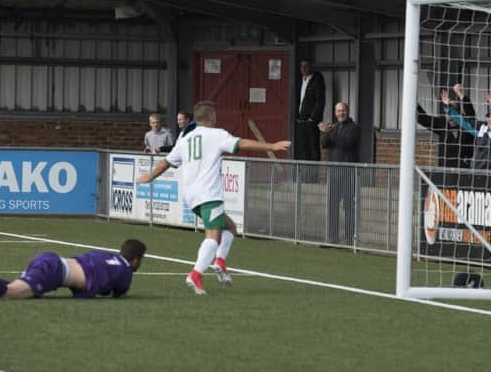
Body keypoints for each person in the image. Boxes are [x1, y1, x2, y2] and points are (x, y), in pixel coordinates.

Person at [136, 101, 290, 295]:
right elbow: (241, 143)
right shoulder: (217, 135)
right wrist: (272, 146)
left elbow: (165, 163)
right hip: (209, 193)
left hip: (192, 197)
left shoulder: (185, 139)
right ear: (211, 117)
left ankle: (220, 262)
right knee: (213, 237)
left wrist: (149, 177)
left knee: (230, 227)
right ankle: (195, 274)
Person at [0, 239, 146, 299]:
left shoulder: (106, 254)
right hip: (53, 271)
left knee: (14, 289)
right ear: (135, 261)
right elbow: (117, 293)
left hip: (53, 262)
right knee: (8, 293)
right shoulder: (126, 272)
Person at [319, 102, 360, 244]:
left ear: (347, 111)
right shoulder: (335, 127)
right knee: (332, 206)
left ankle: (350, 239)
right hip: (334, 174)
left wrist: (330, 132)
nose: (340, 113)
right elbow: (324, 144)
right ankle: (333, 237)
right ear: (335, 112)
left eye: (343, 110)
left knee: (349, 206)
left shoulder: (354, 128)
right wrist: (325, 132)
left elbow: (346, 143)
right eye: (338, 111)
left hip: (348, 174)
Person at [442, 87, 491, 172]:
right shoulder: (481, 130)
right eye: (489, 116)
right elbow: (463, 122)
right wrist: (449, 107)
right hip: (477, 171)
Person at [417, 84, 475, 168]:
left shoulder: (465, 124)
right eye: (447, 112)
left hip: (463, 169)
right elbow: (424, 119)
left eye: (451, 111)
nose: (449, 115)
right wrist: (416, 105)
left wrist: (461, 94)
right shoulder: (442, 123)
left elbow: (470, 114)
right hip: (445, 168)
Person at [295, 59, 326, 162]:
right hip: (301, 120)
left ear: (311, 67)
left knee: (313, 148)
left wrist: (312, 118)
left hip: (311, 121)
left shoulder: (317, 80)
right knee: (303, 149)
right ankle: (304, 175)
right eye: (301, 66)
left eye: (306, 66)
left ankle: (313, 175)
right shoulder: (300, 81)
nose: (303, 68)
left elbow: (320, 101)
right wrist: (297, 117)